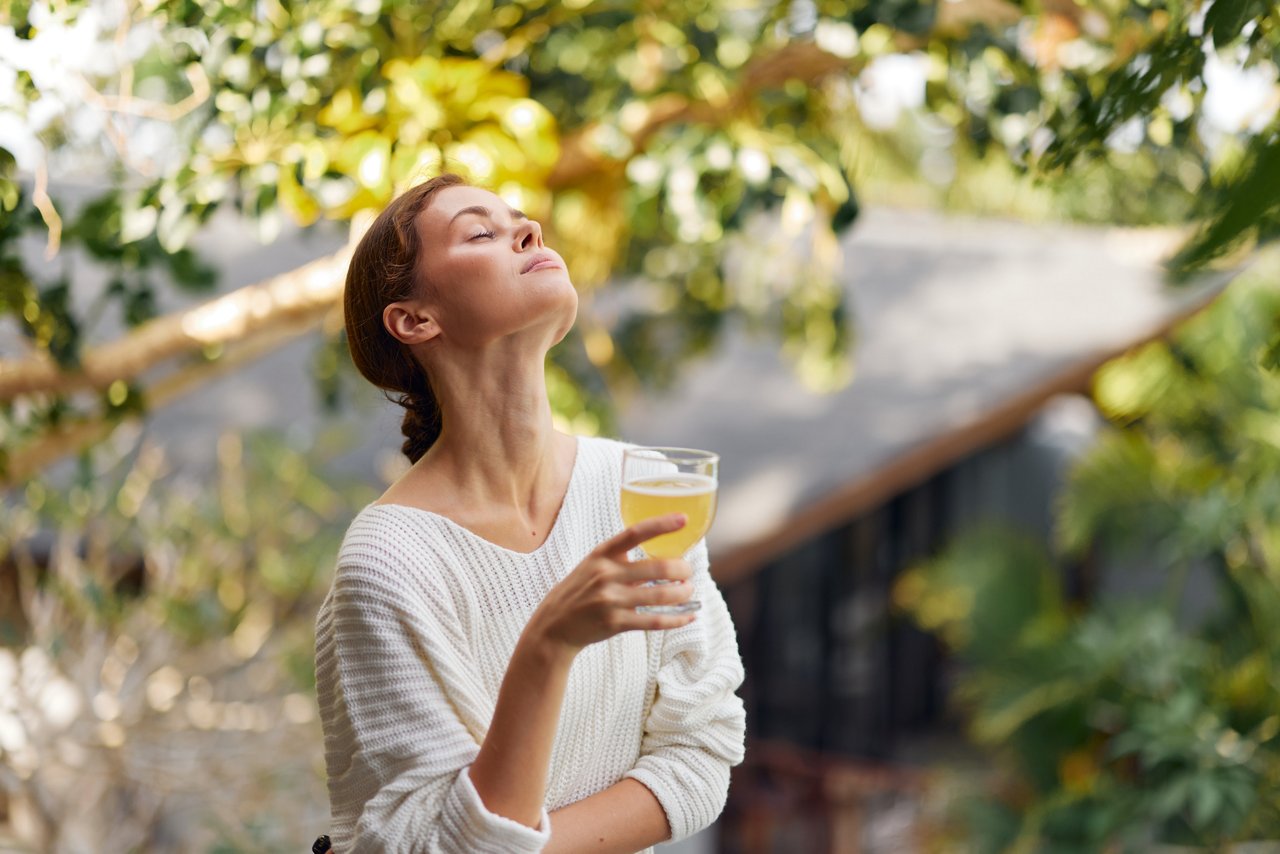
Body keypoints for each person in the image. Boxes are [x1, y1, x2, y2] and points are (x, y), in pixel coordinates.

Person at [313, 173, 747, 853]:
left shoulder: (647, 490)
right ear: (415, 319)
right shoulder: (390, 560)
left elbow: (700, 756)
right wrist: (549, 644)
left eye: (520, 220)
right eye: (480, 232)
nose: (528, 231)